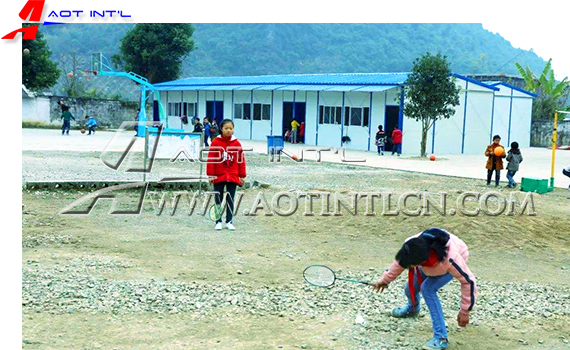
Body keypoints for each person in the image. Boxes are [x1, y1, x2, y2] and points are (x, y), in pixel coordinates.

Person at [374, 228, 477, 350]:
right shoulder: (411, 246)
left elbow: (468, 281)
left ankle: (441, 338)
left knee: (427, 289)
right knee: (410, 288)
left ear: (420, 261)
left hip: (448, 263)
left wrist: (465, 311)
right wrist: (384, 280)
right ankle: (412, 309)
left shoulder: (451, 258)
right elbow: (400, 263)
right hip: (429, 262)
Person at [206, 119, 247, 231]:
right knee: (218, 199)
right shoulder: (216, 142)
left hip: (233, 176)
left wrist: (242, 175)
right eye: (226, 128)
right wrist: (210, 175)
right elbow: (211, 160)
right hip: (219, 176)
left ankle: (229, 221)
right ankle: (218, 221)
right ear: (221, 129)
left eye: (231, 128)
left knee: (230, 199)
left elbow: (241, 160)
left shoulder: (237, 143)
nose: (229, 130)